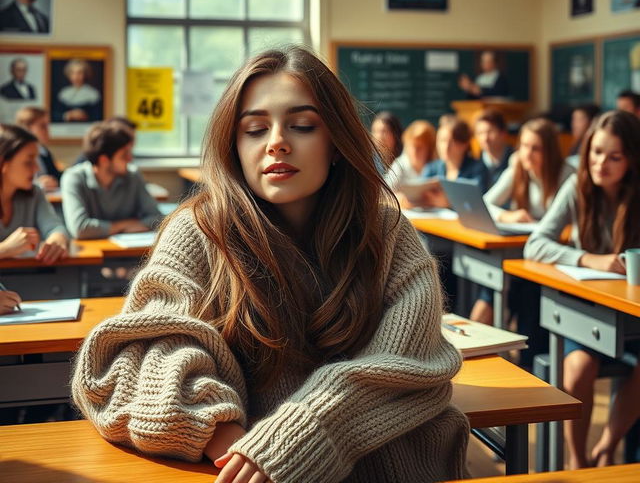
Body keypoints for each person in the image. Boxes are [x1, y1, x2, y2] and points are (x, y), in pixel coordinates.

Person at [71, 46, 469, 483]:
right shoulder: (199, 229)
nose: (277, 141)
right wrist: (226, 436)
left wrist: (308, 430)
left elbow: (408, 359)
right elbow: (146, 350)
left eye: (302, 125)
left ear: (336, 142)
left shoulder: (385, 227)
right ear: (235, 146)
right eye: (256, 129)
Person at [524, 111, 640, 469]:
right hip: (586, 309)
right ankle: (578, 461)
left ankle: (607, 446)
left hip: (630, 313)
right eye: (595, 152)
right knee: (577, 368)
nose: (600, 163)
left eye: (614, 156)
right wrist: (591, 260)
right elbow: (535, 244)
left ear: (632, 159)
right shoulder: (577, 188)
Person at [472, 118, 573, 329]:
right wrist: (508, 216)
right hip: (519, 247)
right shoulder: (518, 166)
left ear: (550, 151)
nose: (527, 153)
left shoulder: (566, 174)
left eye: (535, 148)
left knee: (520, 291)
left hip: (552, 252)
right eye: (524, 146)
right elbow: (485, 204)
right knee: (492, 286)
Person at [60, 121, 162, 239]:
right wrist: (124, 225)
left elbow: (157, 218)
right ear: (104, 160)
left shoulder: (133, 175)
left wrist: (106, 228)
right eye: (124, 155)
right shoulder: (73, 178)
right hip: (93, 254)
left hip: (127, 254)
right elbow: (80, 228)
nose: (130, 159)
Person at [0, 124, 68, 265]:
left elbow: (55, 227)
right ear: (3, 163)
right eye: (28, 161)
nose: (36, 168)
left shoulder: (35, 193)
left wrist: (57, 240)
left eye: (36, 160)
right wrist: (5, 249)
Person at [423, 115, 486, 207]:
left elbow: (477, 205)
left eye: (452, 142)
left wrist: (449, 203)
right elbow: (419, 194)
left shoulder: (478, 170)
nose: (446, 147)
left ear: (464, 144)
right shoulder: (432, 168)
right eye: (442, 141)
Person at [385, 119, 436, 208]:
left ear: (429, 148)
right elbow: (383, 194)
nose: (414, 151)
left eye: (419, 147)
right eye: (411, 146)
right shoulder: (400, 165)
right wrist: (396, 199)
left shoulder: (437, 166)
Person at [15, 106, 61, 192]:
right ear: (27, 128)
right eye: (42, 126)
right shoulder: (14, 153)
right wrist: (37, 184)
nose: (48, 131)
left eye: (48, 126)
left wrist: (53, 181)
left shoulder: (44, 151)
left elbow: (56, 176)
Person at [474, 109, 514, 189]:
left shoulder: (515, 161)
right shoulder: (475, 163)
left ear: (503, 133)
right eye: (480, 133)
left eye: (490, 132)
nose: (485, 138)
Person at [53, 59, 102, 123]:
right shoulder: (63, 93)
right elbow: (55, 115)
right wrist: (67, 115)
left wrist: (84, 116)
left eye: (79, 73)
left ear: (85, 74)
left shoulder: (93, 93)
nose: (76, 76)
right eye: (72, 73)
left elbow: (98, 117)